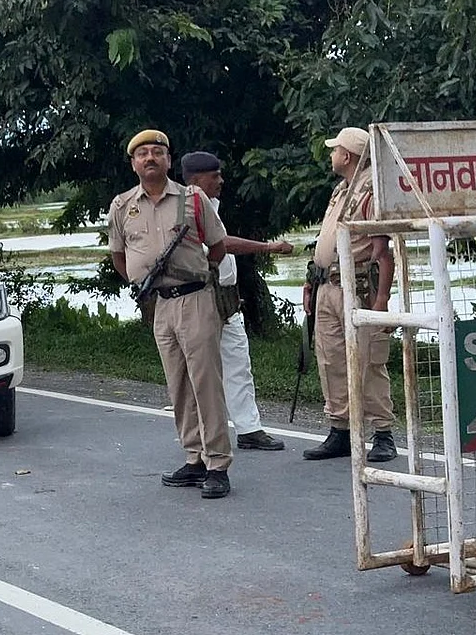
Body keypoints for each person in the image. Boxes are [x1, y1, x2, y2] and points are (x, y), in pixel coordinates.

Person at [109, 129, 234, 499]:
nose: (150, 159)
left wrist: (192, 275)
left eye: (157, 153)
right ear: (133, 164)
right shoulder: (122, 206)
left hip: (195, 300)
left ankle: (218, 463)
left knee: (206, 383)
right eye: (142, 154)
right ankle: (193, 456)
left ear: (167, 160)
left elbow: (218, 248)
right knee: (178, 383)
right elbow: (119, 256)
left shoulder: (191, 199)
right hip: (159, 304)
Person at [181, 151, 292, 452]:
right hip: (201, 299)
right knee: (202, 373)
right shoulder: (186, 208)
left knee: (238, 364)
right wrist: (269, 247)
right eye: (214, 175)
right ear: (196, 180)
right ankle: (201, 438)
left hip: (227, 300)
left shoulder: (211, 206)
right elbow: (221, 243)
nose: (221, 181)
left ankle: (249, 428)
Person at [302, 127, 397, 462]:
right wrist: (312, 281)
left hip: (358, 285)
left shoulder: (373, 187)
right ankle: (340, 428)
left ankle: (382, 432)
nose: (331, 155)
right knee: (330, 359)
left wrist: (382, 297)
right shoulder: (342, 190)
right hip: (328, 284)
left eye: (335, 149)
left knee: (369, 359)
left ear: (348, 155)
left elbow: (382, 249)